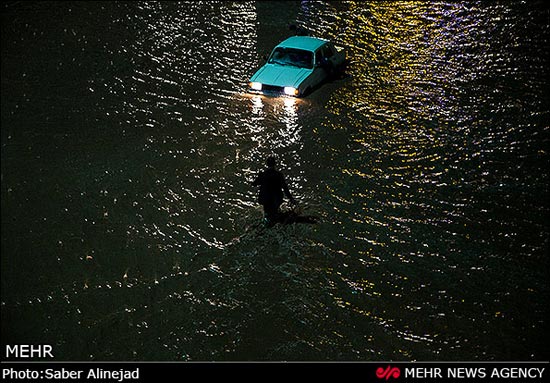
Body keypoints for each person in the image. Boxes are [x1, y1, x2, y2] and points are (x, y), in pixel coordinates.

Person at [252, 156, 296, 224]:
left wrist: (259, 176)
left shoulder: (263, 174)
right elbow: (285, 188)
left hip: (265, 199)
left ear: (267, 164)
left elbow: (254, 184)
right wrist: (291, 199)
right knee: (275, 213)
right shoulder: (279, 175)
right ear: (275, 164)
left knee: (267, 213)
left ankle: (266, 223)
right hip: (276, 199)